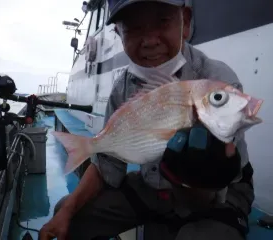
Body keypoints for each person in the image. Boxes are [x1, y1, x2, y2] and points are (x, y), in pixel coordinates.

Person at [39, 0, 255, 239]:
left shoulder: (215, 82)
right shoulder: (122, 88)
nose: (150, 40)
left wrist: (190, 178)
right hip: (153, 186)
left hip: (218, 192)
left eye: (162, 21)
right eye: (133, 27)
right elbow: (108, 164)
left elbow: (217, 183)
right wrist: (68, 210)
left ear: (186, 22)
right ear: (119, 34)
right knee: (68, 212)